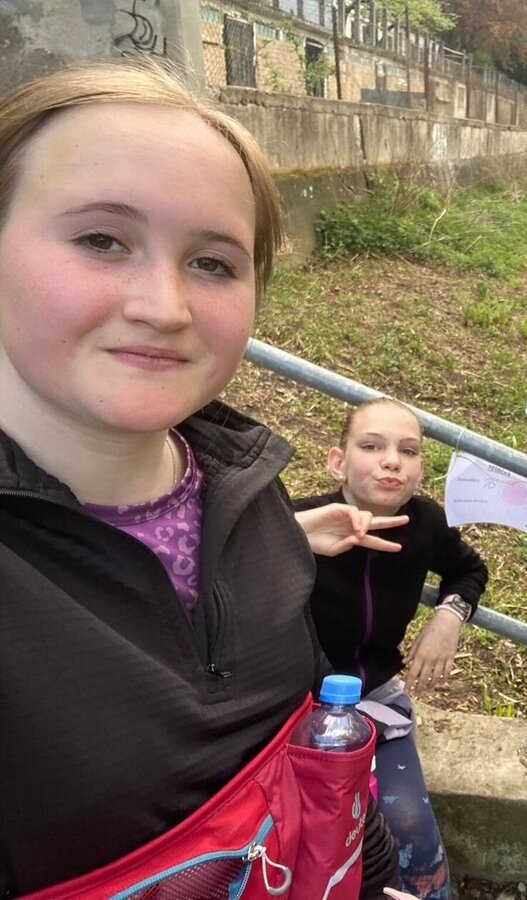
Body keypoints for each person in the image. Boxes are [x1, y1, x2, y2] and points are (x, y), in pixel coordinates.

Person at [0, 58, 403, 896]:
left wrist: (375, 881)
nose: (164, 307)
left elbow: (310, 755)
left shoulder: (247, 494)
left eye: (213, 263)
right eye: (102, 240)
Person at [294, 398, 490, 900]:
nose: (391, 461)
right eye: (371, 446)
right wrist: (291, 539)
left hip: (378, 699)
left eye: (408, 450)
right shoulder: (294, 520)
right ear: (337, 462)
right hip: (293, 708)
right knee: (307, 836)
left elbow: (469, 569)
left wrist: (448, 617)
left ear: (420, 470)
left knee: (412, 835)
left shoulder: (425, 523)